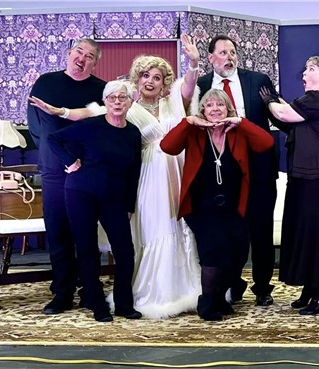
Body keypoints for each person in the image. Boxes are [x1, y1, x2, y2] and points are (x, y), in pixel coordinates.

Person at [29, 35, 203, 319]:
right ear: (137, 80)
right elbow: (89, 113)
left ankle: (174, 290)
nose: (150, 80)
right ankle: (122, 295)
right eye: (145, 75)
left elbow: (189, 86)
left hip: (173, 172)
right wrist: (58, 112)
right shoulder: (126, 110)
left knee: (171, 231)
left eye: (157, 77)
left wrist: (193, 62)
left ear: (163, 82)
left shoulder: (173, 102)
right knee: (142, 232)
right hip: (142, 176)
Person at [160, 89, 274, 321]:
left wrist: (241, 122)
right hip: (203, 206)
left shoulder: (237, 132)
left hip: (234, 206)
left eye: (220, 105)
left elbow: (267, 143)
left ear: (228, 109)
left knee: (238, 255)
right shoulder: (194, 133)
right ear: (203, 111)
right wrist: (188, 121)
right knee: (214, 253)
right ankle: (207, 302)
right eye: (209, 106)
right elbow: (168, 147)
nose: (215, 109)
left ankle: (221, 297)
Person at [46, 80, 142, 322]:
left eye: (123, 97)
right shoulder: (90, 126)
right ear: (105, 102)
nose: (117, 102)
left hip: (115, 199)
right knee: (87, 249)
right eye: (112, 98)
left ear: (131, 102)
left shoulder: (132, 133)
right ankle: (96, 302)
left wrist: (130, 204)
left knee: (125, 251)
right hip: (81, 193)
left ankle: (123, 304)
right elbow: (53, 139)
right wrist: (70, 161)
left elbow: (134, 171)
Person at [260, 54, 319, 315]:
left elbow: (284, 114)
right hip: (305, 177)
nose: (304, 73)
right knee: (305, 234)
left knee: (317, 235)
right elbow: (289, 123)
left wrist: (270, 101)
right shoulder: (310, 105)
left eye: (311, 69)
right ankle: (310, 289)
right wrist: (275, 106)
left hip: (318, 178)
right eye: (305, 68)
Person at [198, 35, 281, 307]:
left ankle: (263, 287)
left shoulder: (258, 81)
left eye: (233, 52)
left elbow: (278, 115)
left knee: (261, 231)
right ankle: (232, 284)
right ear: (211, 58)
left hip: (258, 170)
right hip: (220, 175)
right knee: (229, 233)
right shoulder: (200, 86)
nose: (229, 57)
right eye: (223, 52)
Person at [26, 38, 106, 315]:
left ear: (96, 62)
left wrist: (84, 159)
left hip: (87, 171)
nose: (82, 59)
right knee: (58, 232)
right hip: (54, 170)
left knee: (85, 233)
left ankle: (89, 289)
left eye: (89, 56)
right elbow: (37, 127)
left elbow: (101, 129)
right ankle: (62, 292)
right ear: (69, 53)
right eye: (78, 52)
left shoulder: (101, 89)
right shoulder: (46, 83)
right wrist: (60, 157)